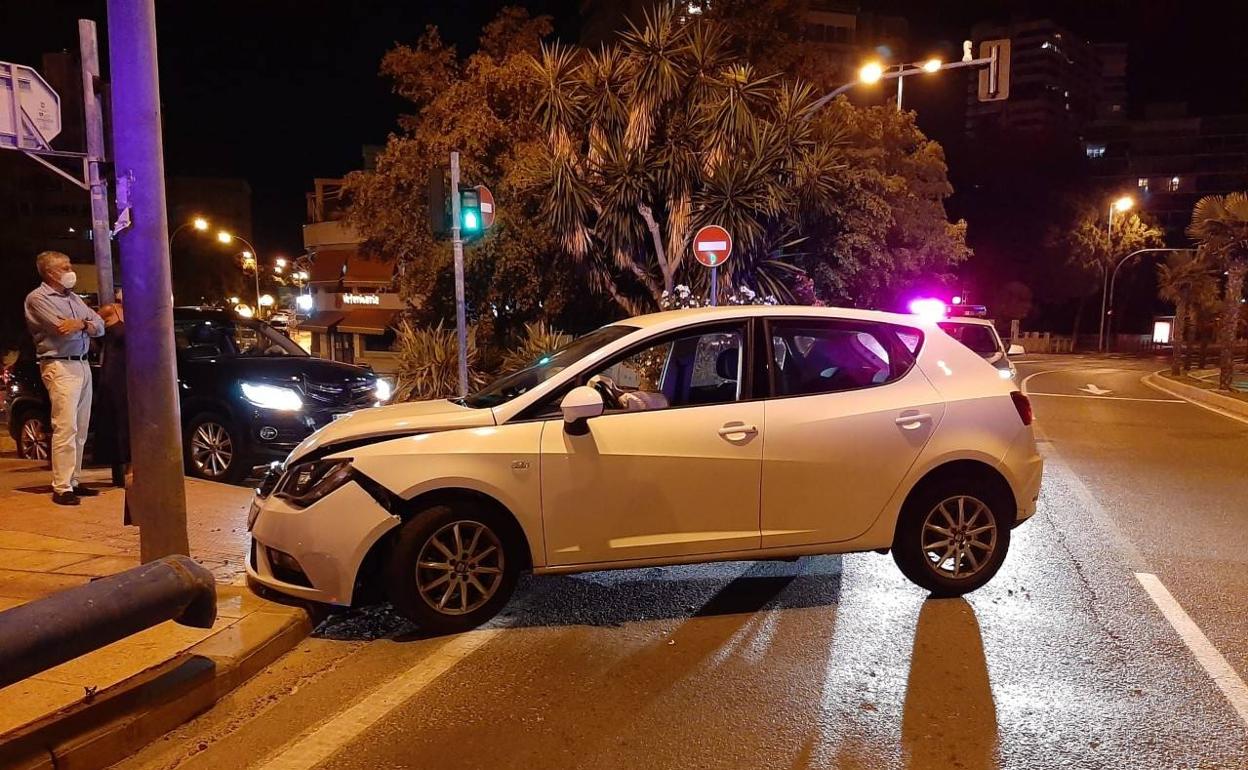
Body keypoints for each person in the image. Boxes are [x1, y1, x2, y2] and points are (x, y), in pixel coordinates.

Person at [23, 251, 105, 505]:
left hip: (81, 364)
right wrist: (85, 324)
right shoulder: (37, 298)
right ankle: (62, 487)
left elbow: (100, 324)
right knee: (65, 426)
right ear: (50, 273)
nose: (71, 270)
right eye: (65, 267)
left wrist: (80, 323)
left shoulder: (73, 299)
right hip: (59, 365)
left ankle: (75, 480)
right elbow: (61, 330)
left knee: (80, 426)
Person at [94, 303, 130, 487]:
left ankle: (133, 470)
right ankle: (119, 471)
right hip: (115, 370)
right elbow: (91, 328)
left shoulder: (141, 310)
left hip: (136, 371)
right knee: (117, 418)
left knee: (135, 419)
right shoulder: (110, 310)